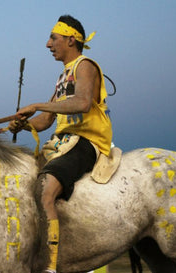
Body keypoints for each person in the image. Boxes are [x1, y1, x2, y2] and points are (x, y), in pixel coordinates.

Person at [9, 15, 112, 273]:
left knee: (45, 192)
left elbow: (82, 103)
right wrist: (25, 124)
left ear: (71, 39)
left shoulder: (84, 65)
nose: (48, 44)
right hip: (63, 141)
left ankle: (50, 267)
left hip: (86, 141)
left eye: (53, 38)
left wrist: (35, 105)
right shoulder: (63, 76)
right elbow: (45, 121)